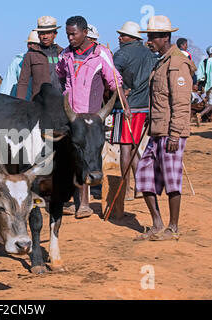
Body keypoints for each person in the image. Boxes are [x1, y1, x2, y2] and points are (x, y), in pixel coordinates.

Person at [56, 15, 130, 218]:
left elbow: (115, 80)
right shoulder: (66, 55)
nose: (70, 38)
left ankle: (84, 204)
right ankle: (74, 199)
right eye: (68, 34)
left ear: (85, 32)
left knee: (87, 157)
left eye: (74, 34)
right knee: (72, 155)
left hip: (92, 117)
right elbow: (60, 74)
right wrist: (66, 95)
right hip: (72, 115)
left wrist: (124, 104)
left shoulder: (101, 54)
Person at [134, 16, 196, 241]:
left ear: (164, 38)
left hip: (171, 133)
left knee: (171, 179)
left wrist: (175, 133)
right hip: (157, 130)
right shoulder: (161, 61)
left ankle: (173, 227)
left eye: (151, 37)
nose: (148, 41)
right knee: (144, 174)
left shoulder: (177, 63)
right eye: (148, 36)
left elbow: (181, 102)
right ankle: (157, 223)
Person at [111, 21, 157, 201]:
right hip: (143, 107)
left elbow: (114, 81)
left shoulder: (122, 54)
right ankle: (139, 187)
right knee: (133, 146)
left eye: (122, 35)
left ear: (132, 37)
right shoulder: (150, 54)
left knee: (125, 148)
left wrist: (125, 98)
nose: (119, 38)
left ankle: (126, 190)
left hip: (126, 107)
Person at [17, 16, 63, 100]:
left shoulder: (62, 53)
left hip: (60, 102)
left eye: (48, 33)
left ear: (55, 34)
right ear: (38, 35)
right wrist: (20, 104)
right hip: (39, 104)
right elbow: (23, 82)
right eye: (42, 33)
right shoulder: (31, 54)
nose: (45, 36)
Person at [0, 30, 39, 99]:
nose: (32, 46)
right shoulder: (17, 61)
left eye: (35, 44)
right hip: (21, 101)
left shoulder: (45, 60)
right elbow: (8, 84)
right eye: (30, 43)